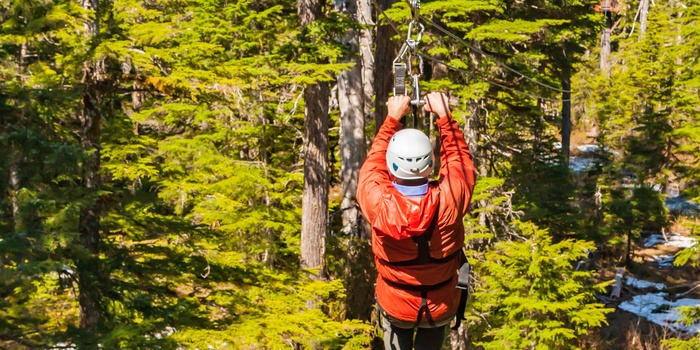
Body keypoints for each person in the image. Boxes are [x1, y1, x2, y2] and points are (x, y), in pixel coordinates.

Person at [356, 92, 477, 349]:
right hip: (440, 303)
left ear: (391, 166)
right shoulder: (451, 198)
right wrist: (444, 116)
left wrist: (392, 120)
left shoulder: (377, 202)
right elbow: (460, 162)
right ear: (431, 163)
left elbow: (371, 168)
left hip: (396, 304)